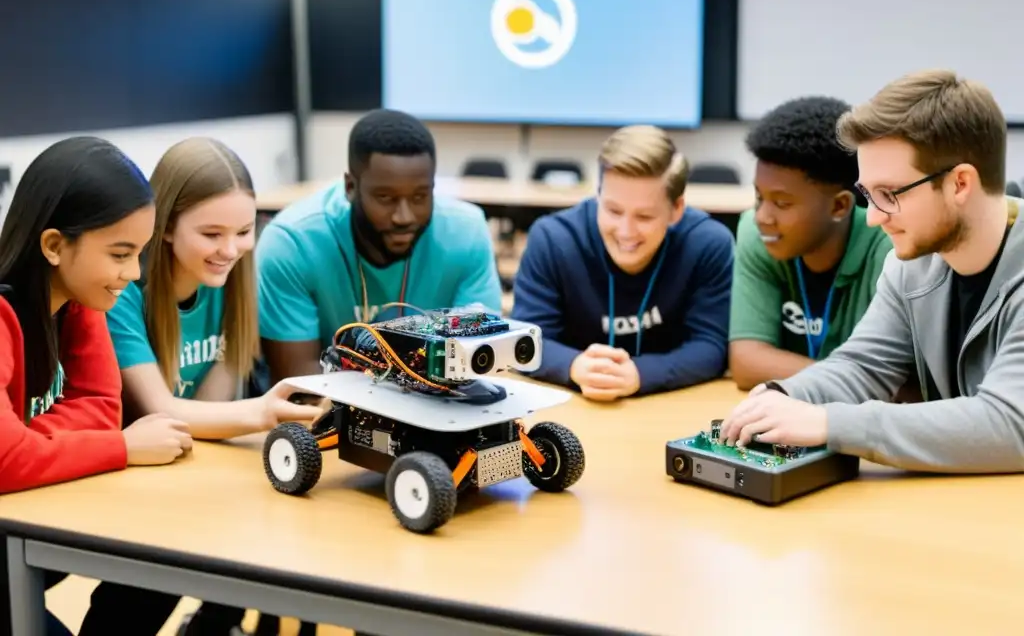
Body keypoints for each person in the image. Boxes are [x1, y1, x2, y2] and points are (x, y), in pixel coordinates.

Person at [720, 69, 1024, 473]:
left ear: (960, 184)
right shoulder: (909, 265)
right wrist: (782, 396)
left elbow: (1009, 425)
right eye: (868, 194)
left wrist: (829, 422)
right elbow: (862, 366)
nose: (873, 218)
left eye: (889, 195)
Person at [99, 138, 322, 636]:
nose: (231, 249)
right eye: (212, 233)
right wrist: (265, 412)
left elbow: (208, 415)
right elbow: (161, 409)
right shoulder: (123, 293)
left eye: (244, 231)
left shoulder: (229, 286)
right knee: (142, 594)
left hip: (179, 479)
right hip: (121, 494)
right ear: (166, 226)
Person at [0, 137, 193, 636]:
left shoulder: (80, 301)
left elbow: (100, 406)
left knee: (166, 557)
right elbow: (4, 460)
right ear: (54, 246)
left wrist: (32, 440)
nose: (133, 274)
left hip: (30, 518)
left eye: (139, 254)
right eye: (120, 254)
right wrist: (123, 447)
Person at [256, 109, 503, 385]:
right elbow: (299, 384)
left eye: (420, 196)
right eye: (385, 198)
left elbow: (480, 359)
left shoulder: (466, 233)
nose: (404, 217)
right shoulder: (291, 243)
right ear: (350, 187)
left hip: (437, 413)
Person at [511, 125, 733, 401]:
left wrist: (642, 373)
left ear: (676, 209)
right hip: (574, 408)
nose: (626, 231)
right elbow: (524, 341)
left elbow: (711, 347)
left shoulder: (708, 244)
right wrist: (574, 366)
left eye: (645, 217)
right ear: (597, 195)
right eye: (613, 210)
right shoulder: (553, 239)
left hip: (665, 407)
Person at [728, 96, 893, 390]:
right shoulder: (757, 236)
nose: (762, 216)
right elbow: (747, 362)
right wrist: (850, 378)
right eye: (758, 197)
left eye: (781, 203)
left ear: (840, 207)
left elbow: (898, 384)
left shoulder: (887, 249)